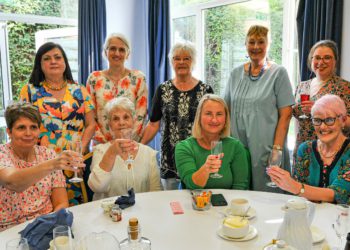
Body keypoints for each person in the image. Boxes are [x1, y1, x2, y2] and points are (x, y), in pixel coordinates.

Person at [20, 42, 96, 206]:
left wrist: (79, 154)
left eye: (57, 57)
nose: (53, 61)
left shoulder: (80, 90)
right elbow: (24, 127)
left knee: (78, 208)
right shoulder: (29, 91)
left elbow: (91, 124)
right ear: (40, 65)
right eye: (47, 58)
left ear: (65, 62)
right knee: (46, 208)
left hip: (74, 164)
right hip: (43, 163)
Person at [224, 25, 295, 192]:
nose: (256, 47)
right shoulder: (235, 74)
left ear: (268, 44)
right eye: (251, 42)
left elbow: (286, 115)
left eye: (261, 42)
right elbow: (225, 110)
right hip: (238, 147)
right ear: (246, 45)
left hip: (268, 150)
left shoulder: (279, 73)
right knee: (240, 196)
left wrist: (276, 152)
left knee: (268, 200)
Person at [0, 102, 84, 231]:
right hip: (10, 230)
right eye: (21, 127)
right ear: (9, 132)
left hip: (47, 225)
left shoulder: (48, 154)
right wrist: (53, 164)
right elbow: (13, 182)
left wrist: (50, 225)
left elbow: (61, 203)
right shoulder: (2, 154)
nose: (28, 133)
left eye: (33, 127)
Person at [141, 42, 213, 190]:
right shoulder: (162, 89)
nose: (181, 62)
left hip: (197, 156)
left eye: (186, 58)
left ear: (193, 61)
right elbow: (154, 123)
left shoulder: (206, 90)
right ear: (171, 62)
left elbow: (211, 124)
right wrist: (139, 146)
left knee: (197, 200)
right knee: (171, 203)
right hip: (169, 158)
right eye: (177, 58)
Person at [268, 95, 350, 204]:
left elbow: (339, 194)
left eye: (330, 120)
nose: (323, 127)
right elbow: (300, 196)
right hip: (311, 216)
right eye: (317, 120)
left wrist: (295, 187)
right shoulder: (305, 149)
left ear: (343, 120)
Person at [88, 97, 162, 200]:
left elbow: (156, 193)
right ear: (109, 125)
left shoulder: (148, 153)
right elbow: (97, 187)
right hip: (108, 212)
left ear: (133, 121)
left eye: (126, 117)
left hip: (141, 213)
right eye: (115, 119)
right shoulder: (100, 151)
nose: (121, 123)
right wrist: (111, 153)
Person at [175, 94, 249, 190]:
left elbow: (240, 187)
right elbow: (191, 185)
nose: (214, 120)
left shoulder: (235, 146)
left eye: (219, 114)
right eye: (208, 113)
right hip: (195, 202)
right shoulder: (184, 147)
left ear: (226, 119)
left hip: (227, 203)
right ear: (199, 117)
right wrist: (206, 169)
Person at [292, 40, 350, 161]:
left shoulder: (344, 87)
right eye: (317, 57)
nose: (321, 62)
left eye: (327, 58)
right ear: (311, 60)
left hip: (331, 152)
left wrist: (320, 111)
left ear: (335, 61)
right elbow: (297, 120)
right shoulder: (302, 86)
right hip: (303, 150)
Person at [86, 33, 148, 143]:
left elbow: (141, 116)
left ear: (128, 54)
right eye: (112, 49)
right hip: (101, 146)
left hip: (131, 145)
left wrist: (127, 141)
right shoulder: (94, 79)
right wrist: (106, 143)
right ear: (106, 52)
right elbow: (90, 117)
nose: (117, 53)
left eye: (122, 50)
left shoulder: (138, 78)